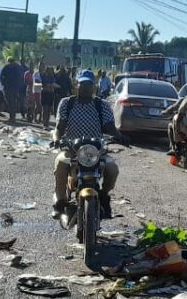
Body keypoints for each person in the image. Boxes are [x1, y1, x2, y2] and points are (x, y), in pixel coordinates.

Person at [52, 70, 129, 219]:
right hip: (72, 150)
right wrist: (56, 139)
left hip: (96, 151)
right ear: (77, 85)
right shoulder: (67, 103)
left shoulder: (102, 105)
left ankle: (104, 196)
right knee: (61, 164)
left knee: (112, 169)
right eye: (83, 84)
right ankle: (60, 202)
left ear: (94, 86)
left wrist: (120, 136)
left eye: (89, 84)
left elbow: (110, 127)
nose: (86, 87)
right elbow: (59, 128)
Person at [0, 57, 26, 123]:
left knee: (10, 102)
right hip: (14, 87)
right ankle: (12, 117)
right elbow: (22, 77)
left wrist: (3, 83)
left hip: (9, 87)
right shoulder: (18, 67)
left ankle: (12, 117)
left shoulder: (7, 67)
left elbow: (1, 76)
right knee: (12, 102)